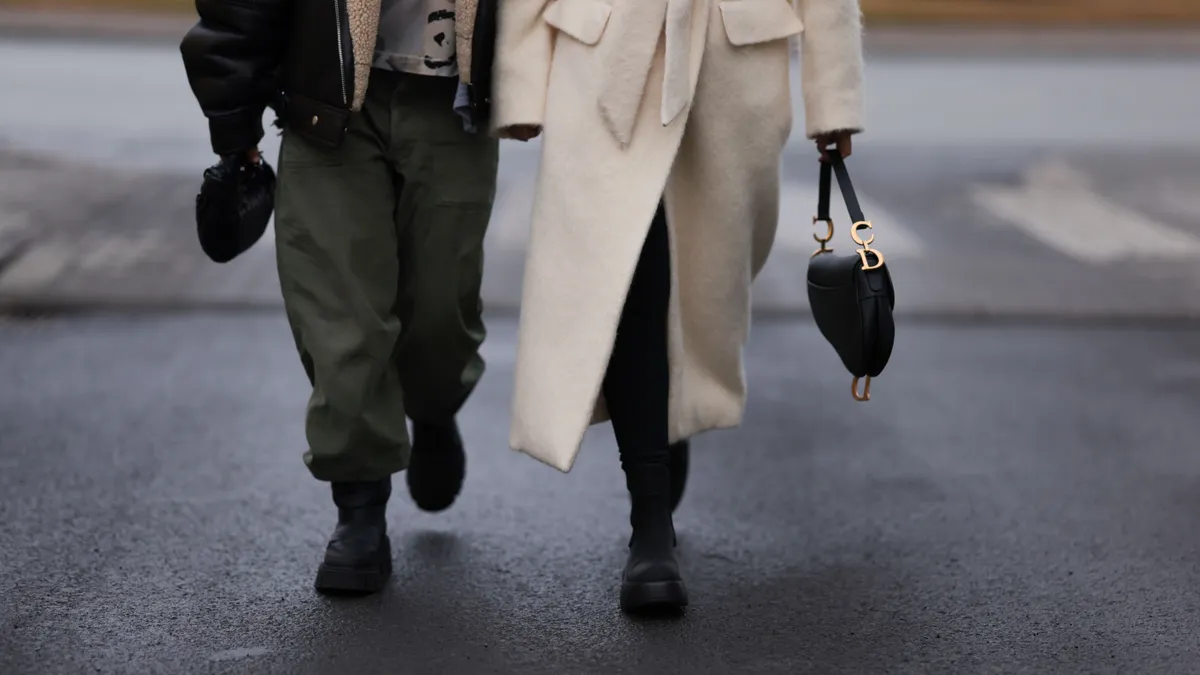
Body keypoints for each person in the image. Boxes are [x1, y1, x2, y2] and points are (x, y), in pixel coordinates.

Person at [492, 0, 864, 612]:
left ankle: (675, 406)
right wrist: (521, 82)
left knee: (705, 283)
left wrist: (834, 101)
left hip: (731, 63)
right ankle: (651, 522)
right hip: (604, 53)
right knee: (621, 272)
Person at [181, 0, 500, 594]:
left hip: (452, 100)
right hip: (325, 103)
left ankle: (433, 405)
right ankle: (359, 508)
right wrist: (235, 127)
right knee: (339, 318)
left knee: (441, 312)